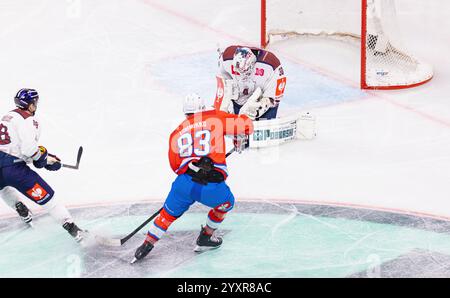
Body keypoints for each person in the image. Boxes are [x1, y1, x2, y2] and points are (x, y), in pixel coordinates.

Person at [132, 93, 254, 263]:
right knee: (226, 203)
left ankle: (146, 245)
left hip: (184, 184)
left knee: (167, 214)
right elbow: (245, 126)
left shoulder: (176, 132)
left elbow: (175, 166)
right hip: (212, 186)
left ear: (185, 113)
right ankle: (206, 237)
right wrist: (245, 121)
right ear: (203, 108)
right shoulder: (214, 118)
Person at [0, 88, 85, 242]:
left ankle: (20, 208)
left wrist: (44, 157)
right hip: (15, 171)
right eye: (35, 102)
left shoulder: (7, 117)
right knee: (49, 200)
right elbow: (29, 150)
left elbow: (15, 148)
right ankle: (73, 229)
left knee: (4, 188)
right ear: (31, 104)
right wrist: (43, 160)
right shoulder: (29, 120)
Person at [215, 45, 287, 120]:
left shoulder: (272, 64)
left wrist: (261, 107)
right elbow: (223, 79)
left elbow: (275, 97)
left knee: (264, 128)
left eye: (245, 71)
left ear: (252, 64)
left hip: (264, 105)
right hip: (240, 101)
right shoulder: (226, 58)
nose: (242, 75)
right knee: (241, 129)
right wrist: (227, 94)